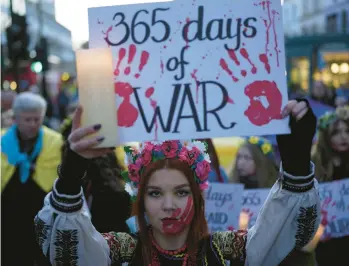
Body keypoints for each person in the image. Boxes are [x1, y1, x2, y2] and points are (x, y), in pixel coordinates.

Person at [34, 100, 320, 266]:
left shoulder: (224, 249)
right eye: (155, 193)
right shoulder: (121, 250)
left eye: (182, 192)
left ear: (198, 196)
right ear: (141, 199)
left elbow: (280, 236)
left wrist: (295, 167)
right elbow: (72, 251)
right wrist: (71, 176)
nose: (169, 206)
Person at [229, 136, 316, 266]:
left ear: (261, 161)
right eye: (239, 157)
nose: (240, 163)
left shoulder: (280, 190)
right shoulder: (231, 188)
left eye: (247, 158)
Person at [1, 92, 63, 266]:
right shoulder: (2, 140)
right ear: (16, 118)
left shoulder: (54, 140)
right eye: (27, 120)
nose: (33, 124)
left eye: (37, 119)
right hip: (8, 211)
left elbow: (54, 172)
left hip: (40, 209)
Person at [312, 106, 349, 266]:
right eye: (336, 133)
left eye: (347, 131)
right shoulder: (314, 166)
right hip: (325, 241)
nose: (344, 137)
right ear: (326, 136)